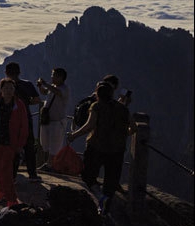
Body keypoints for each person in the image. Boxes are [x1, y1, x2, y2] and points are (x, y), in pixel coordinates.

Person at [67, 82, 137, 216]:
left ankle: (100, 198)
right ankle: (105, 210)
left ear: (97, 95)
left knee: (88, 176)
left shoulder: (96, 106)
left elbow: (89, 126)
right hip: (117, 150)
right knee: (110, 181)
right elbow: (134, 128)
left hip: (96, 147)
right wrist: (123, 134)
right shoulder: (123, 108)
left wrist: (73, 135)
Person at [0, 78, 28, 208]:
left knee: (7, 171)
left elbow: (24, 126)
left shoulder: (19, 105)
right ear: (1, 90)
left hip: (11, 143)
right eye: (6, 88)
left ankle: (11, 198)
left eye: (11, 88)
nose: (8, 91)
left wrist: (20, 144)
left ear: (14, 90)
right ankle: (0, 192)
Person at [5, 62, 42, 182]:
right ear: (19, 72)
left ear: (6, 73)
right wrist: (25, 103)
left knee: (13, 148)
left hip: (10, 121)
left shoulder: (6, 86)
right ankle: (32, 174)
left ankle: (12, 176)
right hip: (26, 118)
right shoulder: (27, 84)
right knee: (29, 146)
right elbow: (37, 100)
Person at [36, 68, 70, 170]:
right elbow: (45, 92)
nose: (52, 77)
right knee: (45, 143)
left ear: (60, 77)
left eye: (53, 75)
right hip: (48, 120)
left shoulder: (64, 88)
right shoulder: (53, 87)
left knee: (55, 144)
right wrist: (40, 87)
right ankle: (49, 163)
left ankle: (51, 165)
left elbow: (58, 92)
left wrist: (45, 84)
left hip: (57, 121)